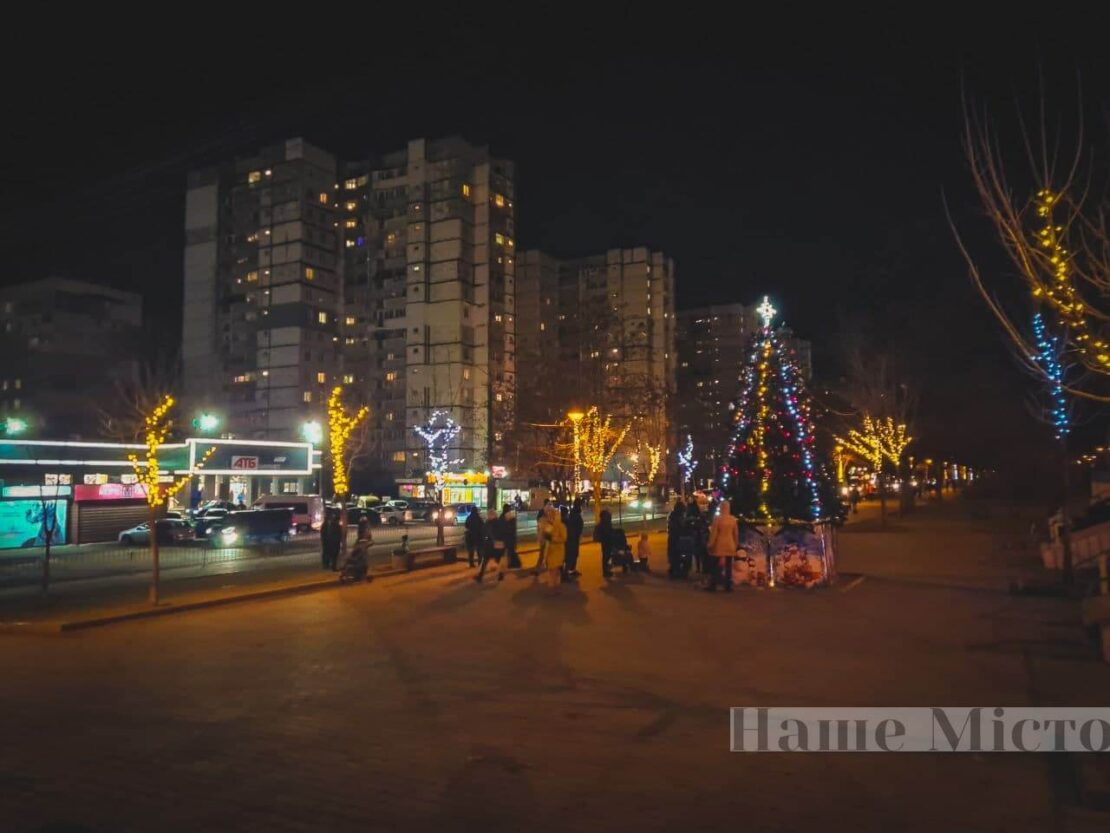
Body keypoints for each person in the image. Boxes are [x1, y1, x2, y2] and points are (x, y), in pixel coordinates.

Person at [706, 499, 740, 592]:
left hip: (719, 546)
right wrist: (735, 545)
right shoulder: (733, 520)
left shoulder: (718, 520)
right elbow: (736, 534)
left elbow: (714, 534)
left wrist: (710, 544)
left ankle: (713, 584)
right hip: (730, 545)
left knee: (715, 566)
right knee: (728, 567)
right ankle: (728, 585)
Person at [475, 508, 506, 583]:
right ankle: (500, 574)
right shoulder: (499, 522)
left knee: (485, 560)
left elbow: (484, 533)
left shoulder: (488, 523)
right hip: (498, 544)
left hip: (490, 545)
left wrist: (485, 539)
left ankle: (480, 576)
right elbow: (503, 533)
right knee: (498, 560)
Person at [540, 504, 567, 589]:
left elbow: (564, 538)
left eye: (552, 514)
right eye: (549, 514)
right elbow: (545, 537)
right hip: (550, 552)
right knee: (552, 570)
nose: (550, 516)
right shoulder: (549, 525)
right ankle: (555, 586)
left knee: (554, 570)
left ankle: (553, 587)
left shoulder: (561, 526)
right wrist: (544, 535)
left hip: (558, 552)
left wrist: (553, 539)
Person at [685, 503, 708, 575]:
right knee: (701, 554)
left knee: (697, 554)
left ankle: (698, 569)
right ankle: (702, 569)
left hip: (696, 539)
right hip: (700, 539)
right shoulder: (700, 518)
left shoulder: (691, 518)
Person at [564, 498, 584, 579]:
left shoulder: (574, 512)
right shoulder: (575, 513)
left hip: (574, 536)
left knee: (574, 554)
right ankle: (567, 572)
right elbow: (575, 526)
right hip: (573, 537)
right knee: (572, 555)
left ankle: (572, 569)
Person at [667, 498, 686, 577]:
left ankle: (673, 569)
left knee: (673, 554)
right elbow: (681, 526)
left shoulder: (672, 515)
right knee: (677, 554)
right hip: (677, 538)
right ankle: (676, 570)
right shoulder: (678, 517)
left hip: (672, 537)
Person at [594, 509, 615, 578]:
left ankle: (606, 570)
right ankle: (606, 571)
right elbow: (607, 532)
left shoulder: (603, 523)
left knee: (606, 556)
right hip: (607, 541)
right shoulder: (605, 524)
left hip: (605, 541)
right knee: (607, 556)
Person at [534, 498, 553, 576]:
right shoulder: (542, 512)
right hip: (543, 535)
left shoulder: (549, 512)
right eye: (548, 504)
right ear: (545, 504)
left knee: (548, 551)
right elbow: (540, 523)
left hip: (547, 534)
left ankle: (547, 565)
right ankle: (537, 568)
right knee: (542, 552)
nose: (550, 505)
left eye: (550, 504)